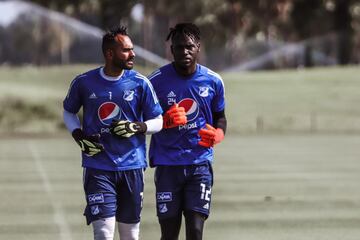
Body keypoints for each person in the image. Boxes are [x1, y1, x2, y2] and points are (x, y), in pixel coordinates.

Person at [63, 26, 163, 240]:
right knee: (103, 233)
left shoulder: (140, 83)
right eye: (126, 50)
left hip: (132, 166)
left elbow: (159, 121)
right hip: (98, 167)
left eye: (132, 49)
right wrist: (77, 134)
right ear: (109, 53)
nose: (133, 54)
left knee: (130, 235)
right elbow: (68, 111)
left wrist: (137, 127)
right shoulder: (84, 82)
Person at [148, 23, 227, 240]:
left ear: (198, 47)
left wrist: (219, 134)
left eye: (189, 46)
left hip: (199, 164)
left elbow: (220, 117)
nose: (185, 51)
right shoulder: (155, 82)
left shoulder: (213, 81)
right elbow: (143, 121)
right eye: (179, 47)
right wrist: (164, 120)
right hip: (167, 166)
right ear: (171, 50)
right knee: (169, 234)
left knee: (195, 231)